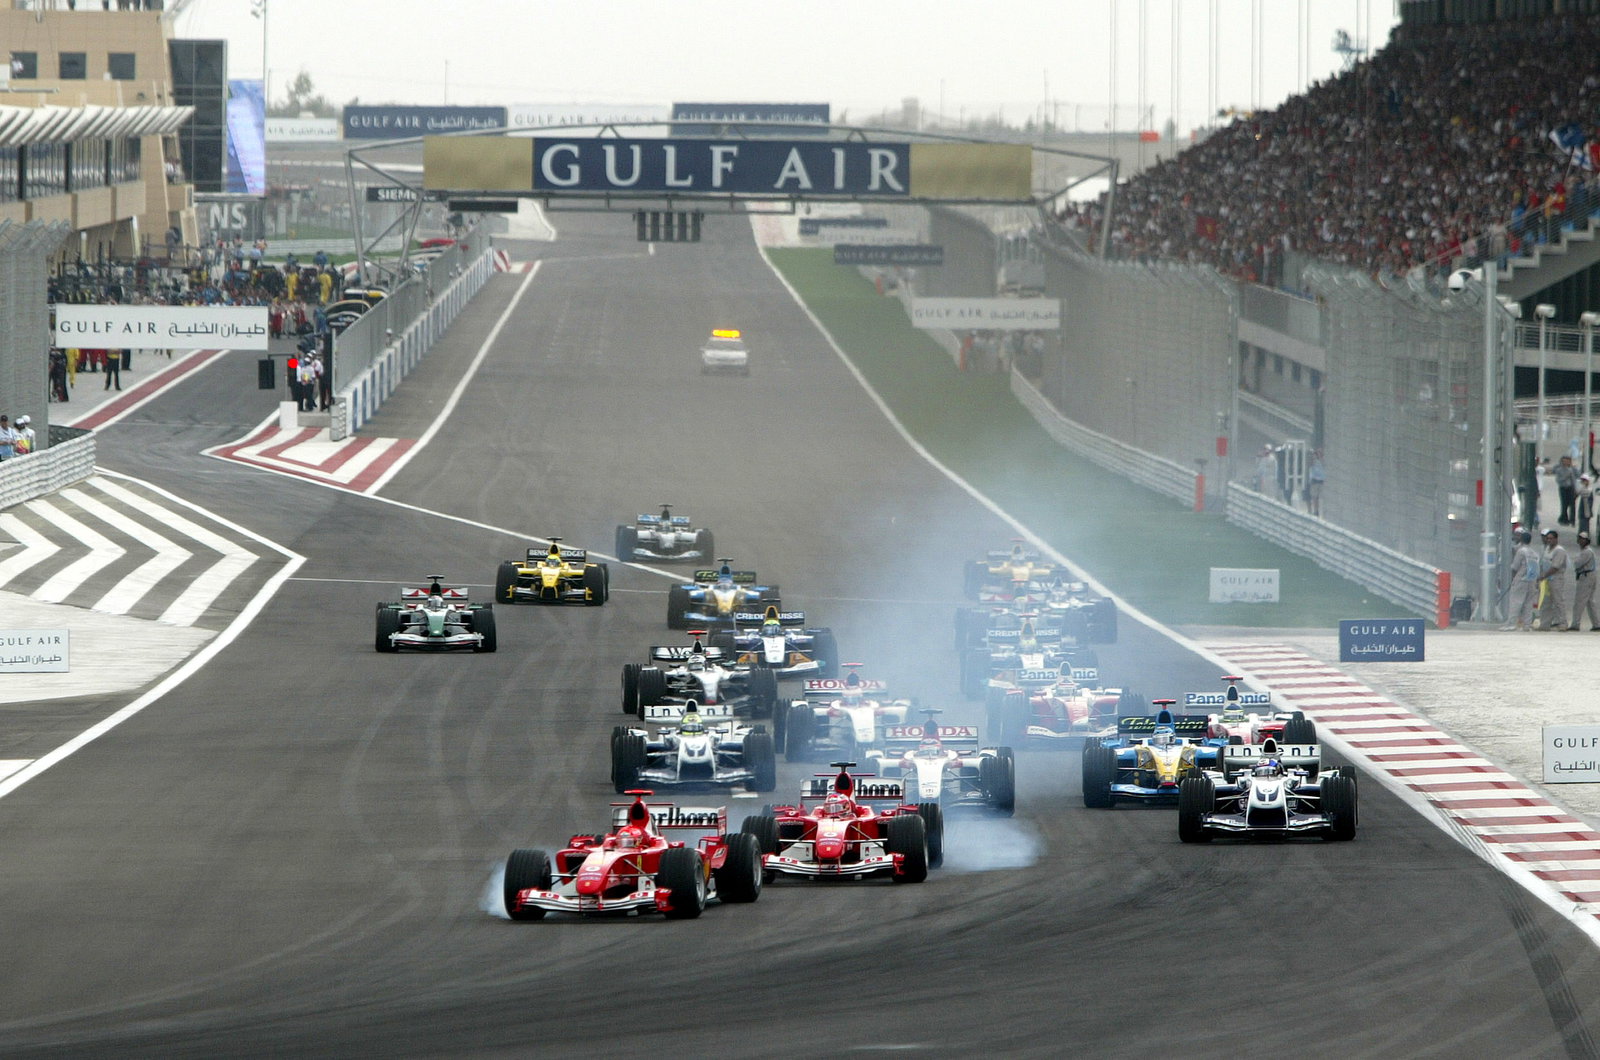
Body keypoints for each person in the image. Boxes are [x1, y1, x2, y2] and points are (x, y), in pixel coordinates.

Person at [1503, 530, 1540, 631]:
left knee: (1516, 602)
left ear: (1521, 539)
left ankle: (1511, 624)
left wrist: (1512, 579)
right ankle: (1527, 625)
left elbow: (1515, 567)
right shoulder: (1534, 553)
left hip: (1521, 580)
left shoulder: (1521, 551)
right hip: (1531, 581)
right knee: (1528, 603)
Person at [1537, 528, 1571, 631]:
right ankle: (1545, 624)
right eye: (1547, 538)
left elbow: (1555, 567)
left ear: (1556, 539)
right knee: (1546, 602)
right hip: (1546, 580)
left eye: (1551, 538)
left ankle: (1563, 623)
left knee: (1558, 601)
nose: (1549, 540)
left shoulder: (1559, 551)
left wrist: (1544, 575)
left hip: (1556, 579)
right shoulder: (1547, 549)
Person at [1571, 531, 1600, 631]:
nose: (1581, 541)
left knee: (1580, 601)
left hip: (1586, 576)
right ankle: (1596, 624)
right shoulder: (1584, 551)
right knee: (1590, 601)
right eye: (1580, 539)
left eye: (1583, 539)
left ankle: (1575, 624)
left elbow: (1577, 564)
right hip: (1586, 576)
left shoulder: (1587, 552)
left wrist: (1575, 562)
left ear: (1587, 540)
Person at [1556, 455, 1579, 525]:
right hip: (1563, 488)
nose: (1566, 463)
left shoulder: (1572, 469)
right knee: (1564, 504)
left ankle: (1572, 520)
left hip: (1570, 488)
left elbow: (1575, 479)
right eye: (1564, 461)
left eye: (1567, 461)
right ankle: (1564, 519)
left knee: (1572, 504)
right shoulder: (1559, 470)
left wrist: (1576, 489)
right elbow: (1558, 480)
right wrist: (1565, 476)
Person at [1306, 450, 1327, 516]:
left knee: (1320, 497)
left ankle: (1321, 511)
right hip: (1314, 481)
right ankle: (1316, 511)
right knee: (1314, 497)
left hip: (1321, 481)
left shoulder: (1322, 461)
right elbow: (1309, 465)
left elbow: (1324, 465)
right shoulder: (1312, 461)